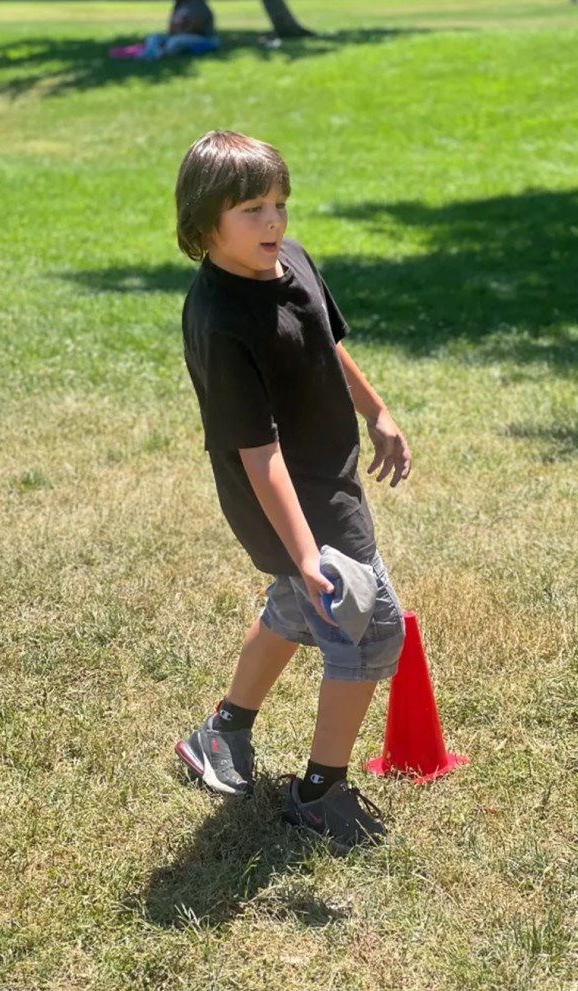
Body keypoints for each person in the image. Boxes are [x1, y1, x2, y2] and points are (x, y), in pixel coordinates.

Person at [173, 131, 412, 853]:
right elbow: (257, 452)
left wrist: (377, 412)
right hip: (284, 496)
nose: (272, 222)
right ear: (203, 223)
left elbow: (326, 345)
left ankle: (222, 731)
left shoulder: (292, 260)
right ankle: (317, 794)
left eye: (278, 203)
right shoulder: (221, 320)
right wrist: (306, 554)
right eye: (251, 209)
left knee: (296, 606)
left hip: (327, 473)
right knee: (371, 627)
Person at [140, 0, 219, 59]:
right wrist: (173, 33)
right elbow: (171, 25)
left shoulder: (197, 3)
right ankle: (152, 54)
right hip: (181, 36)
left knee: (176, 41)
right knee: (153, 38)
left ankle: (161, 55)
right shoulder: (178, 4)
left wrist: (178, 34)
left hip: (204, 38)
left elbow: (196, 27)